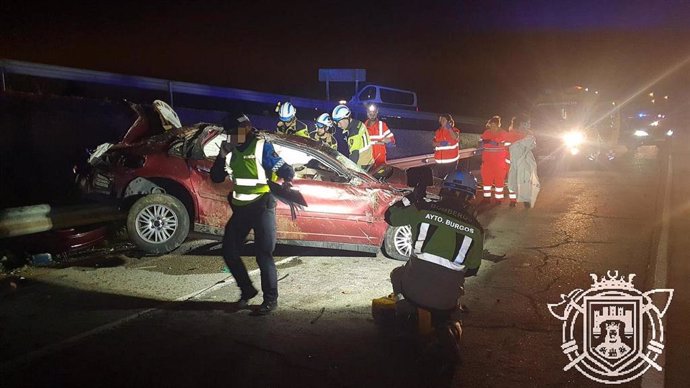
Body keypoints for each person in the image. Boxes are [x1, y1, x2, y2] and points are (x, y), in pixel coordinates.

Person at [210, 114, 295, 315]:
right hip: (241, 209)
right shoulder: (229, 149)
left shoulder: (261, 146)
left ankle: (270, 300)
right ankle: (247, 290)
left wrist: (287, 174)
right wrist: (222, 155)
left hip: (262, 207)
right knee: (229, 251)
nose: (232, 135)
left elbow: (283, 168)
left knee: (263, 254)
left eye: (236, 131)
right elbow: (216, 177)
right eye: (229, 132)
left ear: (247, 128)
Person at [387, 169, 483, 315]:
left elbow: (390, 216)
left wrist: (412, 197)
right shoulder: (476, 229)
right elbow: (472, 270)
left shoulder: (422, 209)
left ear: (443, 190)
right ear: (470, 197)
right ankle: (452, 322)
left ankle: (403, 310)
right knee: (455, 300)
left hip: (412, 293)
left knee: (397, 274)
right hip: (446, 301)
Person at [506, 115, 540, 208]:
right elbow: (506, 148)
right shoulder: (511, 134)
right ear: (521, 124)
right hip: (513, 162)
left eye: (529, 123)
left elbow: (532, 146)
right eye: (526, 123)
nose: (528, 125)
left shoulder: (528, 134)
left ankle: (526, 200)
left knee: (525, 180)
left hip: (524, 162)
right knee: (512, 181)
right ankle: (513, 200)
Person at [332, 104, 374, 170]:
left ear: (346, 118)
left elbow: (354, 154)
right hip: (369, 162)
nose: (338, 126)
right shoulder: (358, 123)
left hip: (361, 166)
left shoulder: (353, 133)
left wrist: (349, 169)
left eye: (339, 122)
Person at [479, 115, 508, 204]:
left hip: (499, 163)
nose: (492, 127)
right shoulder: (486, 132)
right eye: (491, 125)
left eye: (494, 125)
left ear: (498, 125)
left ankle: (498, 199)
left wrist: (496, 143)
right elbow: (481, 142)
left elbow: (507, 144)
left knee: (499, 181)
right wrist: (486, 142)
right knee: (486, 181)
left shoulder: (503, 133)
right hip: (487, 162)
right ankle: (486, 198)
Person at [432, 114, 461, 179]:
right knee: (440, 181)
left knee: (450, 180)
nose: (441, 121)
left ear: (449, 121)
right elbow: (433, 143)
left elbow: (455, 137)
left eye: (443, 120)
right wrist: (441, 144)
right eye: (440, 120)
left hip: (451, 162)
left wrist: (449, 128)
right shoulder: (438, 131)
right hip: (440, 162)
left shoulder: (454, 130)